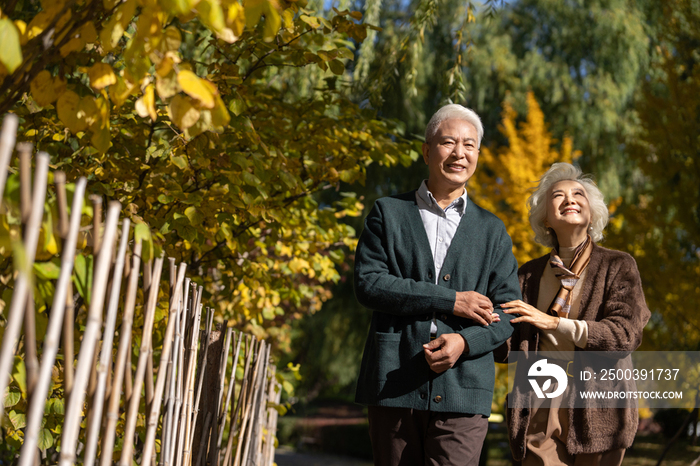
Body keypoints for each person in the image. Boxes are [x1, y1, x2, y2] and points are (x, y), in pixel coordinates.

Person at [353, 104, 522, 466]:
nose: (459, 153)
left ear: (478, 154)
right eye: (448, 142)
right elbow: (369, 284)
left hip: (465, 389)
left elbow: (507, 313)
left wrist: (465, 341)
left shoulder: (492, 231)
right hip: (394, 381)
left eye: (470, 145)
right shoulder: (387, 212)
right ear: (428, 151)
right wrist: (450, 301)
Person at [496, 162, 651, 465]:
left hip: (600, 405)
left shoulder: (618, 266)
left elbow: (623, 336)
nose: (569, 199)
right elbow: (507, 343)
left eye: (578, 194)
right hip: (540, 399)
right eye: (558, 195)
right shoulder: (527, 275)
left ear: (591, 213)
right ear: (546, 218)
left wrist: (555, 323)